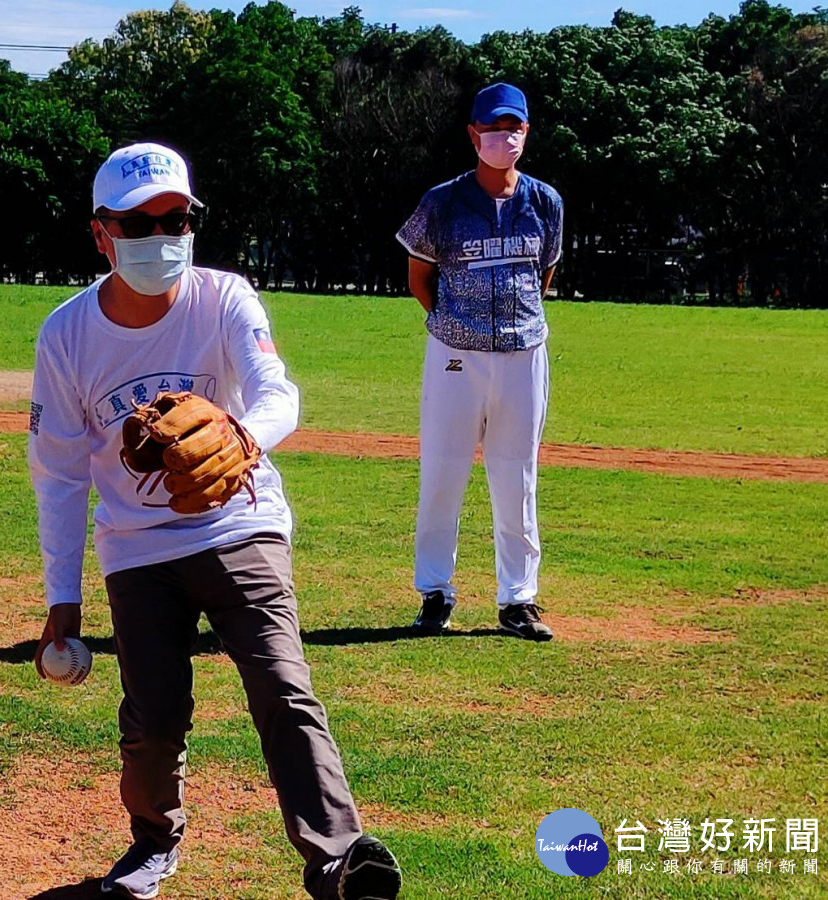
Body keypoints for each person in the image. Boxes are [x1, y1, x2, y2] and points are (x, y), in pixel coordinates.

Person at [28, 143, 402, 900]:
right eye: (138, 223)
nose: (160, 235)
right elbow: (61, 474)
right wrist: (62, 600)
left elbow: (277, 389)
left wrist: (244, 436)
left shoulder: (226, 297)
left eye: (175, 217)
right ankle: (152, 845)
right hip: (135, 546)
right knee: (155, 717)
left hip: (240, 525)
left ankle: (337, 858)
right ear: (100, 233)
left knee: (281, 683)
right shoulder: (66, 335)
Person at [395, 83, 563, 642]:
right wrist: (456, 326)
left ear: (526, 132)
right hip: (455, 355)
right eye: (492, 128)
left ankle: (518, 601)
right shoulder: (441, 202)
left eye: (513, 127)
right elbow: (419, 277)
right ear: (473, 134)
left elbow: (543, 275)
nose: (504, 137)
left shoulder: (545, 202)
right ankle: (435, 593)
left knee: (517, 478)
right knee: (442, 473)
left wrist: (512, 321)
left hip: (523, 353)